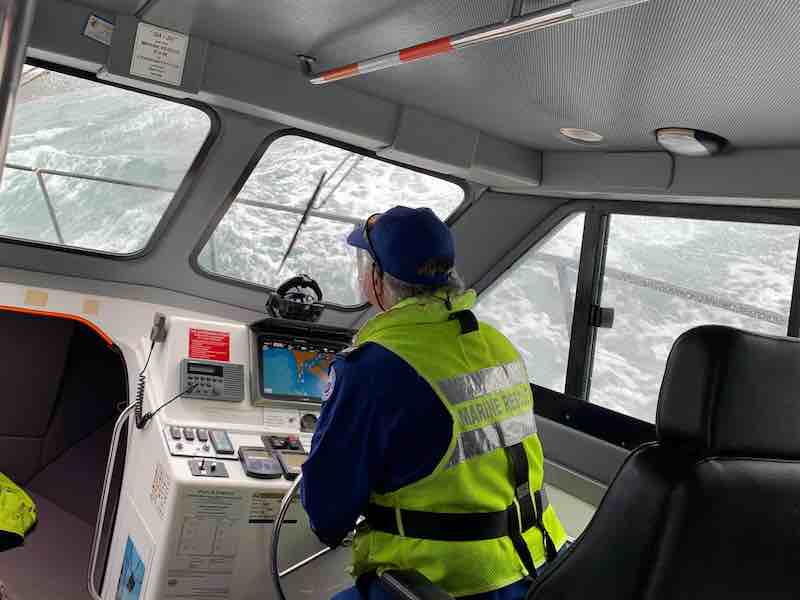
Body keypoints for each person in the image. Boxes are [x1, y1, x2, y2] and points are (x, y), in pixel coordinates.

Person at [301, 206, 568, 600]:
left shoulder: (372, 367)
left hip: (444, 582)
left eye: (364, 263)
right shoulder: (497, 344)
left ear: (377, 278)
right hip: (537, 567)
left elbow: (327, 517)